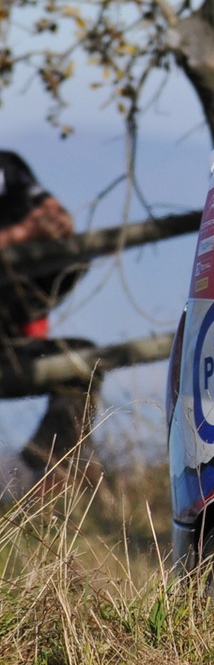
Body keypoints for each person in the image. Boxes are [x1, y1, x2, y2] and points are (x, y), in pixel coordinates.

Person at [0, 150, 90, 477]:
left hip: (11, 345)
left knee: (83, 361)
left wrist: (50, 224)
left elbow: (57, 219)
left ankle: (48, 468)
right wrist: (20, 235)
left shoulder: (8, 168)